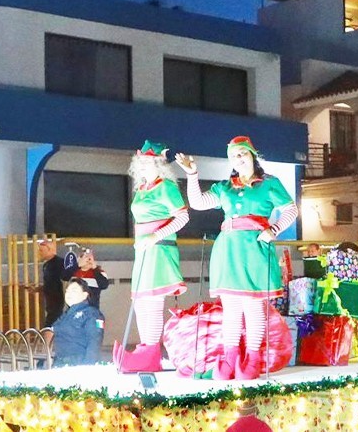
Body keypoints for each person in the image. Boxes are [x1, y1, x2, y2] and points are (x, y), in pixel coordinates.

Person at [175, 135, 299, 380]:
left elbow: (291, 209)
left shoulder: (269, 184)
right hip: (228, 249)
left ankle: (252, 359)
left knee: (253, 307)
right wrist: (192, 174)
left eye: (242, 154)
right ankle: (229, 359)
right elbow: (198, 203)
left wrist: (273, 230)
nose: (238, 159)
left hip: (254, 248)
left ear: (252, 155)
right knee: (230, 307)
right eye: (233, 156)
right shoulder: (225, 187)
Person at [113, 140, 190, 373]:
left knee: (152, 302)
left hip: (159, 249)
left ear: (159, 164)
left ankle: (150, 353)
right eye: (141, 162)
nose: (144, 166)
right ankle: (145, 350)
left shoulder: (166, 187)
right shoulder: (142, 189)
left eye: (149, 162)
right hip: (143, 250)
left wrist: (156, 236)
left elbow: (182, 218)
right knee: (141, 302)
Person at [51, 278, 105, 367]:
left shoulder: (92, 314)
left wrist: (87, 366)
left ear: (85, 295)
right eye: (67, 291)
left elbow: (95, 341)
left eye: (74, 291)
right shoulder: (65, 315)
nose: (69, 294)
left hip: (79, 363)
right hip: (60, 363)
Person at [38, 240, 66, 328]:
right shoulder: (46, 265)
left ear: (49, 250)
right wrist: (38, 289)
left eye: (42, 250)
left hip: (58, 300)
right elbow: (49, 283)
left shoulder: (60, 263)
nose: (40, 253)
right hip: (50, 301)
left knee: (51, 325)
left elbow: (64, 279)